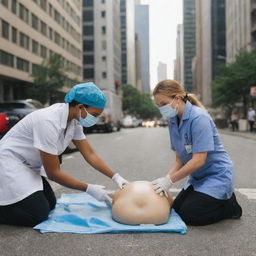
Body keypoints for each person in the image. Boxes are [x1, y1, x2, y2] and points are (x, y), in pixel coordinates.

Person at [0, 82, 128, 227]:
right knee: (37, 214)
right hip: (10, 162)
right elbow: (53, 173)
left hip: (28, 165)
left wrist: (116, 177)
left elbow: (90, 154)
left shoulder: (73, 122)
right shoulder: (48, 121)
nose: (96, 119)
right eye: (94, 115)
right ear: (80, 107)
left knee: (50, 204)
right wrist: (89, 188)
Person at [151, 80, 242, 226]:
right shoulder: (173, 120)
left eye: (163, 104)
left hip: (217, 176)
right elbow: (179, 159)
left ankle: (229, 206)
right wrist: (165, 179)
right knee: (176, 209)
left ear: (178, 98)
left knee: (190, 215)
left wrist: (170, 181)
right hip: (198, 178)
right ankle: (213, 200)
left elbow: (199, 160)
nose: (161, 108)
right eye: (158, 105)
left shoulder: (199, 118)